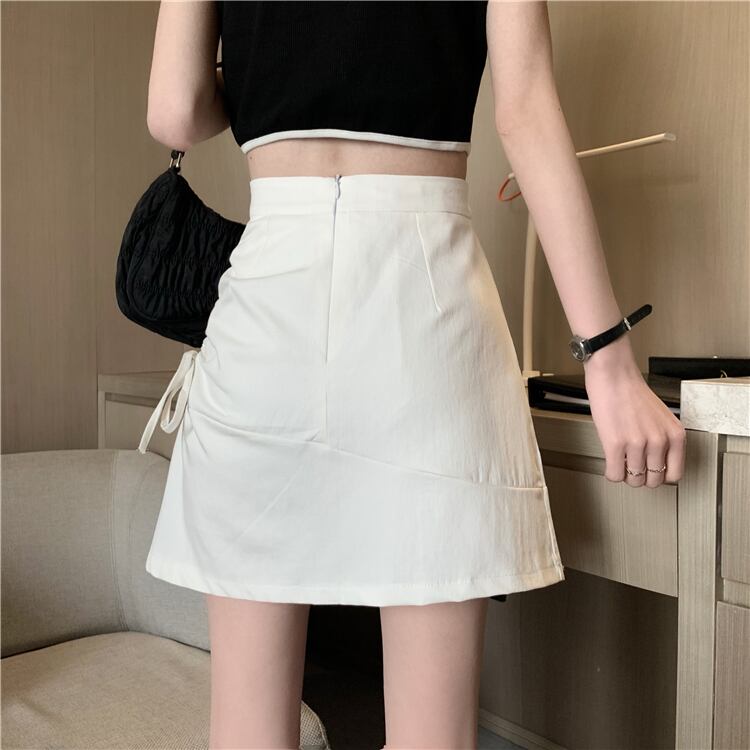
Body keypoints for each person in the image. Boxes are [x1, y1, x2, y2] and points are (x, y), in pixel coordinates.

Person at [142, 2, 687, 748]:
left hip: (269, 293)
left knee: (249, 732)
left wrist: (272, 70)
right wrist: (610, 364)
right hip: (425, 302)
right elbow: (524, 111)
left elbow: (174, 111)